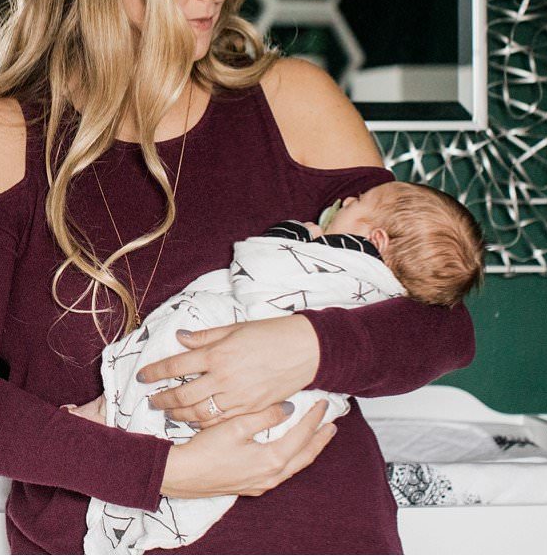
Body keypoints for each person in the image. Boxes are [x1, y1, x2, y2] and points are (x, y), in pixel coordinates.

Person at [0, 0, 475, 555]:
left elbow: (441, 323)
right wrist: (166, 469)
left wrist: (302, 345)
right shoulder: (0, 139)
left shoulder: (294, 103)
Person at [68, 180, 487, 553]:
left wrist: (293, 241)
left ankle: (115, 418)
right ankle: (121, 428)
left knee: (176, 365)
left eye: (357, 203)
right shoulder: (382, 285)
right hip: (280, 456)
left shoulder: (341, 263)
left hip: (307, 474)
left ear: (371, 239)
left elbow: (264, 272)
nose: (345, 199)